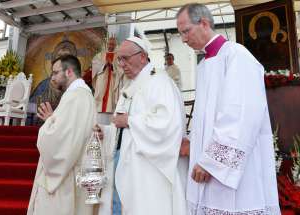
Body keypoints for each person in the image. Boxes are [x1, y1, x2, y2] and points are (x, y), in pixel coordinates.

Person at [176, 3, 280, 214]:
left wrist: (213, 161)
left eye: (186, 31)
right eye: (180, 34)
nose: (184, 39)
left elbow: (241, 113)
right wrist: (193, 140)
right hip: (206, 166)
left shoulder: (237, 55)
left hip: (233, 171)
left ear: (204, 23)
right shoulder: (204, 64)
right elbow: (207, 116)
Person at [97, 37, 187, 215]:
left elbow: (167, 125)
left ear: (143, 56)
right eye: (119, 59)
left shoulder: (160, 82)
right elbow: (121, 126)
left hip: (147, 170)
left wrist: (130, 121)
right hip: (122, 161)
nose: (121, 64)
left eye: (125, 58)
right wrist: (106, 132)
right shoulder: (130, 86)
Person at [27, 55, 96, 215]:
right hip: (72, 171)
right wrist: (52, 119)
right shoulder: (82, 95)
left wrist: (48, 125)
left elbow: (59, 141)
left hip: (63, 178)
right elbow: (69, 133)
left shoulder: (75, 97)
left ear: (69, 72)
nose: (52, 78)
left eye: (56, 73)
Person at [92, 36, 125, 124]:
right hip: (102, 81)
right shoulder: (100, 55)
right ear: (107, 44)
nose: (111, 46)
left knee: (111, 101)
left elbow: (121, 69)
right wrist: (104, 65)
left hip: (112, 81)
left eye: (113, 44)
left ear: (115, 45)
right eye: (110, 44)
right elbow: (95, 65)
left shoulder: (118, 56)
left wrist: (113, 66)